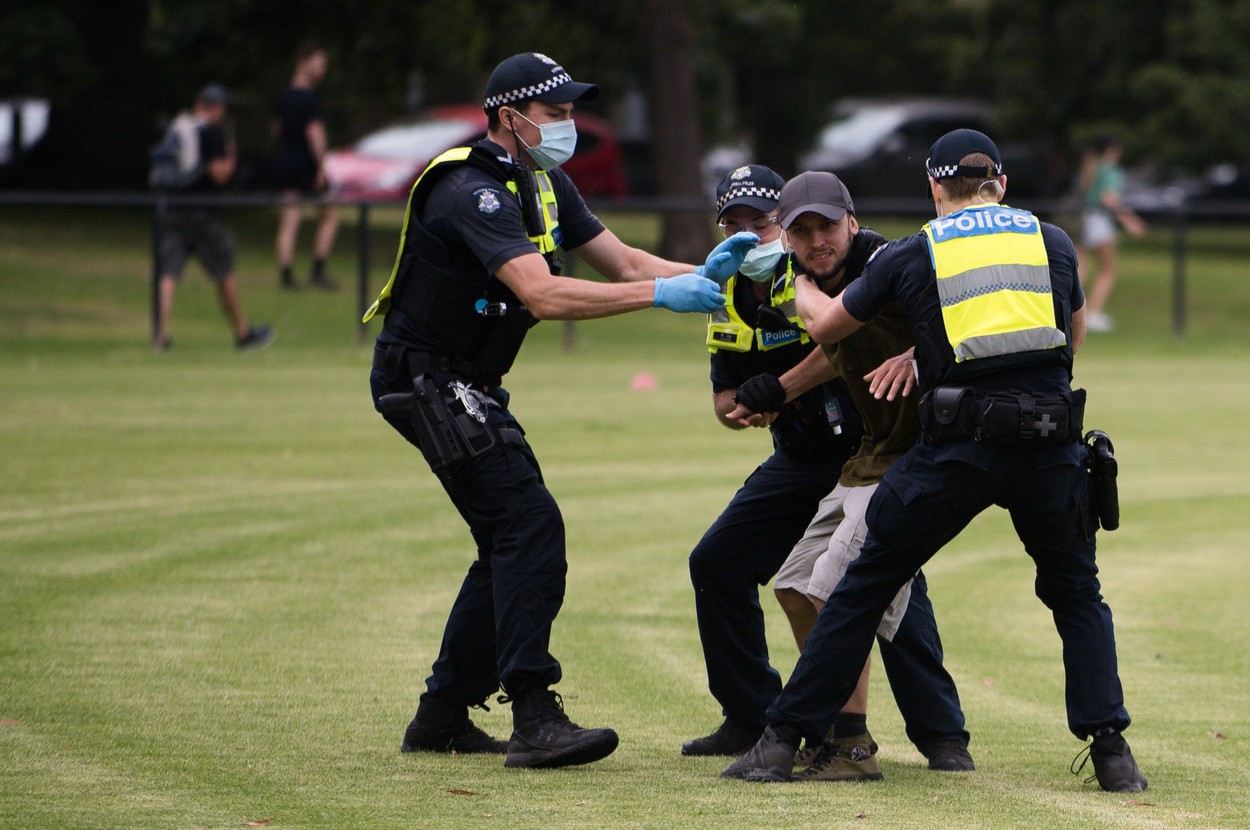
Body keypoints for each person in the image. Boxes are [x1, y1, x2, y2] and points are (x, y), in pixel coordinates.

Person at [722, 129, 1147, 795]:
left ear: (932, 186)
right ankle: (1112, 751)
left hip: (959, 449)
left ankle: (779, 743)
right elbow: (1075, 336)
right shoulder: (1053, 242)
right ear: (1001, 184)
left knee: (863, 586)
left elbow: (830, 326)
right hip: (1049, 443)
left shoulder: (918, 250)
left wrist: (801, 286)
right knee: (1075, 595)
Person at [365, 52, 754, 770]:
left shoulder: (543, 181)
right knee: (527, 527)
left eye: (571, 110)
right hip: (427, 381)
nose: (568, 123)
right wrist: (665, 299)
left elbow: (629, 263)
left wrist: (717, 273)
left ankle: (445, 713)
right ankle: (534, 715)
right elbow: (543, 294)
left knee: (508, 535)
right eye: (555, 112)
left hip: (465, 381)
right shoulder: (470, 189)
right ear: (508, 116)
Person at [684, 167, 971, 782]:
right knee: (778, 579)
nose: (747, 235)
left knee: (865, 585)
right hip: (833, 453)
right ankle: (768, 717)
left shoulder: (888, 261)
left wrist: (921, 352)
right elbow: (797, 362)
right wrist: (767, 395)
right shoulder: (747, 286)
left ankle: (892, 737)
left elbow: (953, 317)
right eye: (733, 225)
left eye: (757, 222)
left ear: (851, 221)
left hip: (905, 450)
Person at [154, 83, 273, 351]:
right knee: (224, 270)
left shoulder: (179, 127)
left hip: (173, 210)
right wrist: (230, 156)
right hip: (203, 214)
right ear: (217, 107)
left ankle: (161, 333)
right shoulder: (213, 132)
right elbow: (219, 173)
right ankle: (243, 333)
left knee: (169, 273)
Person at [273, 42, 340, 291]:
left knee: (289, 219)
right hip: (307, 165)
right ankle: (318, 270)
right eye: (320, 63)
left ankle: (287, 276)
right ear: (304, 62)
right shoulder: (309, 100)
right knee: (331, 215)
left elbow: (277, 130)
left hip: (286, 162)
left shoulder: (284, 97)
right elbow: (315, 134)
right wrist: (321, 167)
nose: (323, 69)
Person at [1075, 136, 1146, 333]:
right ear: (1111, 151)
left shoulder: (1087, 168)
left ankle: (1072, 311)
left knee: (1081, 269)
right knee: (1107, 270)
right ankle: (1093, 313)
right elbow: (1108, 198)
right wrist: (1130, 221)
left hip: (1081, 220)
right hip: (1099, 221)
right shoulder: (1110, 170)